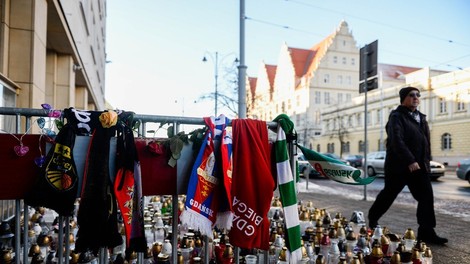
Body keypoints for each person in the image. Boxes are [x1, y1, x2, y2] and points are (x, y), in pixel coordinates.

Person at [368, 86, 448, 245]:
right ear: (403, 98)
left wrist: (427, 162)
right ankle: (372, 220)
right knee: (389, 194)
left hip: (419, 167)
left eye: (418, 95)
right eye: (412, 95)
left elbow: (426, 143)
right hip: (399, 166)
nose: (416, 97)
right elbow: (397, 141)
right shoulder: (396, 116)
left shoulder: (421, 118)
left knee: (426, 197)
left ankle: (426, 231)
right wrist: (410, 160)